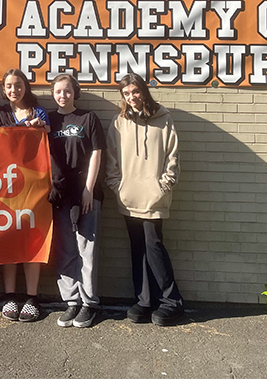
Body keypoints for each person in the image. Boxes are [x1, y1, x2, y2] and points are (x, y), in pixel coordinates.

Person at [105, 73, 184, 327]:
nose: (131, 98)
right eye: (126, 94)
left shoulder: (164, 119)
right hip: (129, 197)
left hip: (154, 197)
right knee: (137, 248)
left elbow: (173, 156)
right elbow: (112, 158)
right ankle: (144, 300)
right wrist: (118, 187)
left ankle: (171, 302)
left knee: (154, 246)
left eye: (135, 92)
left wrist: (164, 185)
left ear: (144, 91)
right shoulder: (119, 122)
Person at [0, 68, 50, 322]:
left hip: (34, 187)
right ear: (4, 90)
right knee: (9, 241)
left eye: (18, 85)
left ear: (26, 86)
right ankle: (10, 296)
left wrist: (42, 128)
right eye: (9, 86)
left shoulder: (39, 112)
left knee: (32, 242)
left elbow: (48, 141)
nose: (14, 90)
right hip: (4, 189)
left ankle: (32, 297)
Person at [48, 73, 105, 328]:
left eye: (68, 91)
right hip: (61, 193)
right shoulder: (49, 120)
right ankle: (71, 301)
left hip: (86, 192)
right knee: (65, 249)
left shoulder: (88, 118)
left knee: (86, 248)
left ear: (75, 92)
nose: (63, 95)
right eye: (58, 91)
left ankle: (88, 303)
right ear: (53, 94)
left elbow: (96, 152)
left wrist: (89, 189)